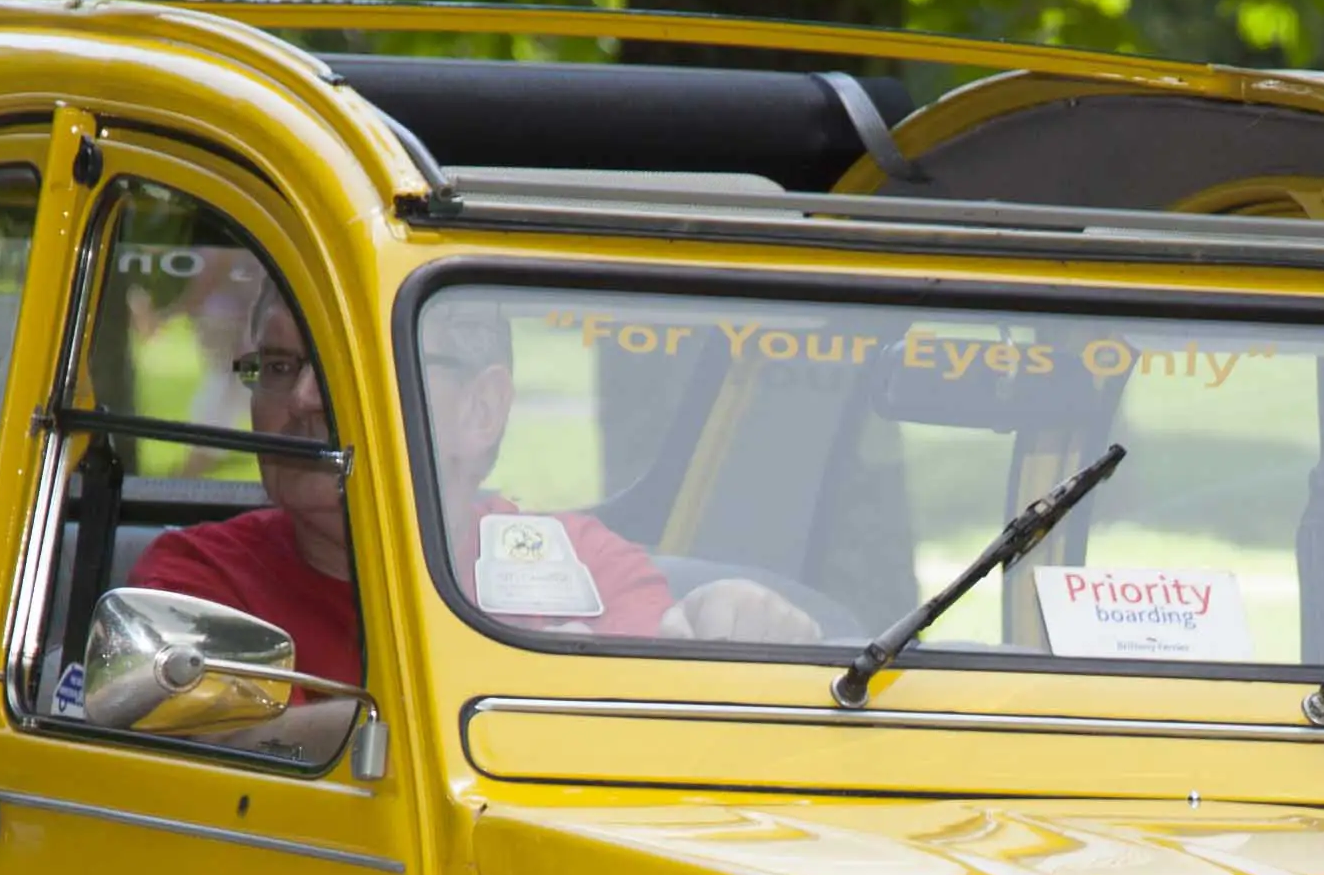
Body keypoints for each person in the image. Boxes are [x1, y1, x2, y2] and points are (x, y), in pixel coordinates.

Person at [118, 286, 818, 711]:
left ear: (483, 409)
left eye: (350, 366)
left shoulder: (587, 571)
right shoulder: (199, 579)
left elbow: (637, 725)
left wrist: (744, 629)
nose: (301, 400)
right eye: (277, 367)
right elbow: (232, 747)